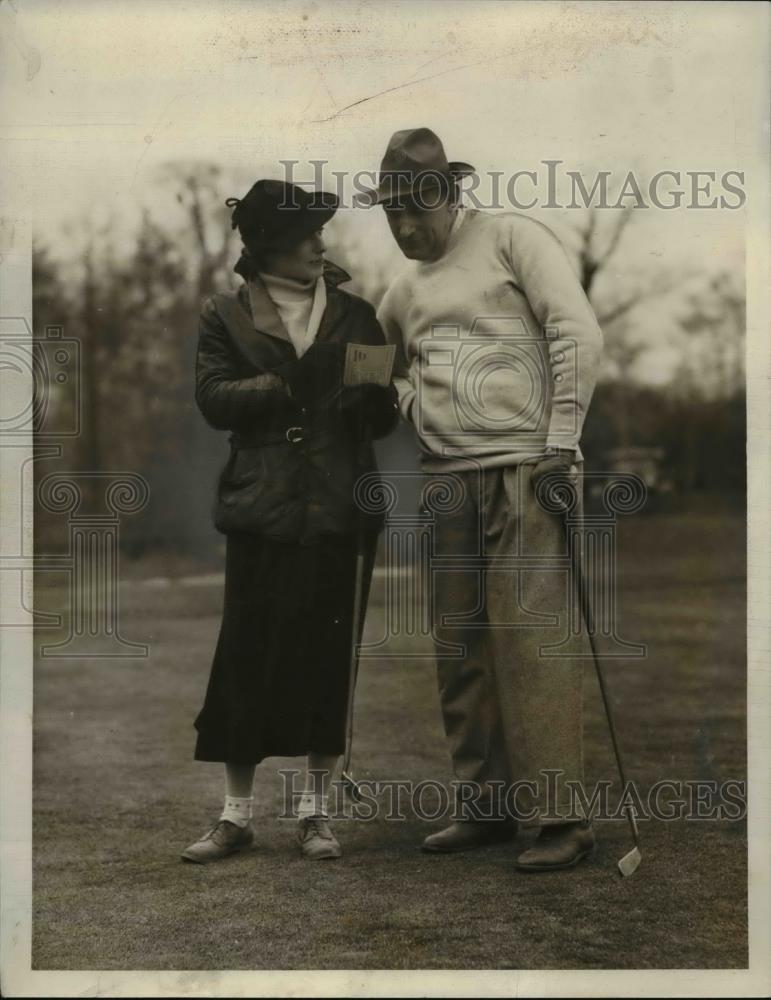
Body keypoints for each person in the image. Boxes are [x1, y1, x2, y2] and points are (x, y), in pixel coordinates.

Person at [361, 128, 604, 870]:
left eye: (418, 207)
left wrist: (562, 441)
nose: (406, 226)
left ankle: (560, 819)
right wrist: (409, 405)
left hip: (529, 469)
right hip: (446, 482)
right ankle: (485, 808)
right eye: (393, 212)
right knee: (459, 647)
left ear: (451, 194)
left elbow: (576, 332)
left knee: (529, 642)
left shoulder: (509, 239)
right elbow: (374, 375)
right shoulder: (397, 293)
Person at [182, 179, 398, 863]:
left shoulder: (357, 315)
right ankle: (235, 816)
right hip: (260, 508)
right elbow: (214, 399)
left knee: (326, 662)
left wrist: (372, 399)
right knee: (245, 660)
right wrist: (286, 386)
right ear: (270, 242)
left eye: (320, 231)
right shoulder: (226, 312)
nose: (320, 242)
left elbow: (381, 414)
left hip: (338, 506)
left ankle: (315, 812)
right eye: (307, 233)